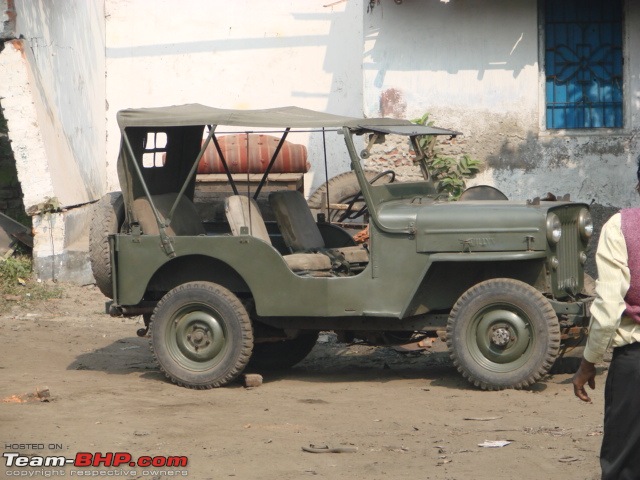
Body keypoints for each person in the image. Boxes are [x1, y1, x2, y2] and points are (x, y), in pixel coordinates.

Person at [572, 157, 640, 480]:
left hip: (634, 367)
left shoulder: (620, 227)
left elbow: (608, 307)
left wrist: (589, 362)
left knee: (623, 463)